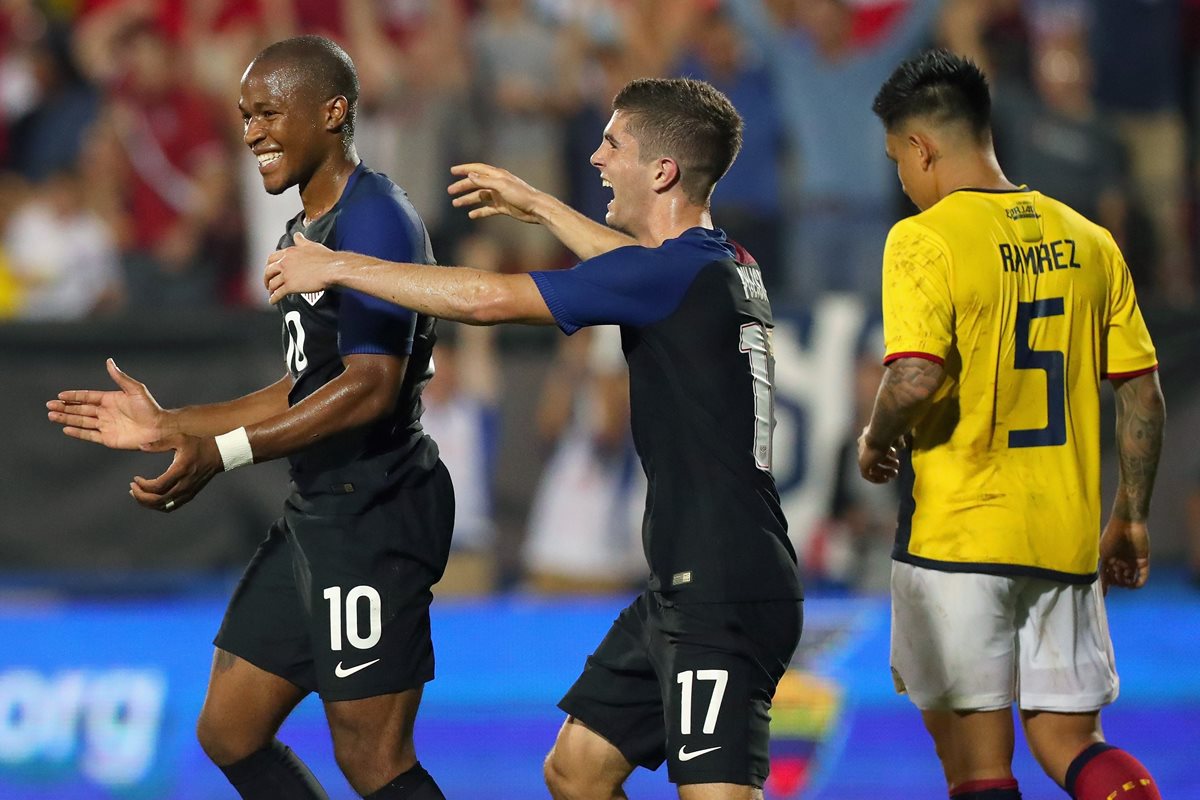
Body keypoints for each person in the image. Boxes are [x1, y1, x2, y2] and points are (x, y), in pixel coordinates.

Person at [265, 77, 804, 800]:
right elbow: (630, 264)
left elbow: (490, 300)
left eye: (613, 144)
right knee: (576, 771)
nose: (596, 158)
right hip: (689, 582)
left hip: (724, 590)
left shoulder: (668, 275)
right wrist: (540, 206)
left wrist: (338, 266)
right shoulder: (723, 263)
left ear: (662, 171)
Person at [46, 36, 450, 800]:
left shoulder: (376, 219)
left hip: (379, 512)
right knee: (229, 730)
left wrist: (223, 452)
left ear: (331, 112)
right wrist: (178, 426)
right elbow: (305, 384)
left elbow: (370, 387)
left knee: (373, 760)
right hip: (319, 511)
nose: (251, 133)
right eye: (243, 116)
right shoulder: (303, 230)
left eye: (267, 112)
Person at [857, 50, 1165, 800]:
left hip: (957, 544)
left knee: (979, 770)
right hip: (1063, 539)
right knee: (1073, 744)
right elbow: (1142, 392)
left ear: (921, 148)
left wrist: (876, 438)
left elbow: (915, 375)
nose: (903, 180)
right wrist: (1128, 516)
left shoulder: (924, 237)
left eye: (898, 160)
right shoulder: (1090, 239)